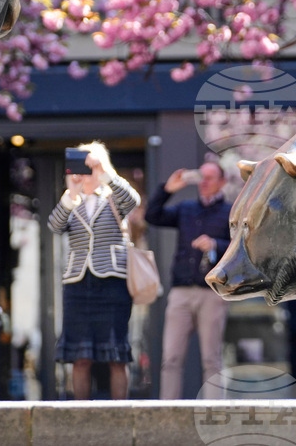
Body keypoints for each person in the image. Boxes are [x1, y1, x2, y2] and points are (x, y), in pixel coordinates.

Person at [47, 142, 140, 400]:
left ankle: (121, 414)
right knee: (80, 357)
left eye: (90, 166)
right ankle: (81, 415)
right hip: (77, 285)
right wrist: (71, 192)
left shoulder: (112, 197)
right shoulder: (71, 200)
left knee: (116, 355)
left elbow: (133, 201)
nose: (86, 171)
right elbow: (54, 226)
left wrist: (105, 172)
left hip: (112, 283)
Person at [146, 161, 232, 399]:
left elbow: (243, 248)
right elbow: (152, 216)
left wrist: (215, 245)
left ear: (222, 182)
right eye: (201, 177)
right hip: (181, 292)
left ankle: (213, 411)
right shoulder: (186, 208)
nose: (204, 182)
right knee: (171, 358)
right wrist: (167, 190)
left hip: (212, 293)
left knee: (211, 359)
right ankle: (168, 411)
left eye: (210, 178)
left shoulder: (231, 212)